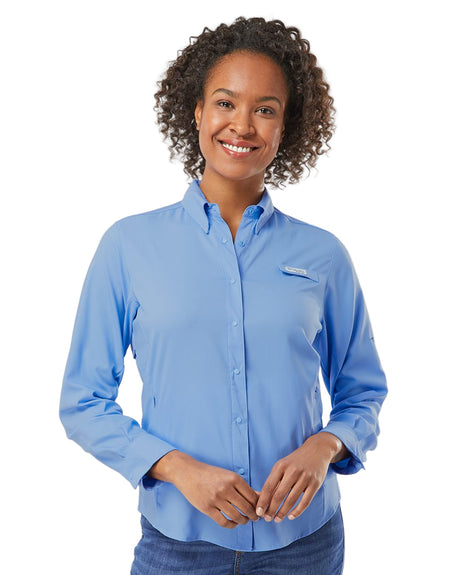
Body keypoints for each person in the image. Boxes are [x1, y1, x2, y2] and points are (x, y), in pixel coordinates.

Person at [59, 16, 387, 575]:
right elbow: (83, 401)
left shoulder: (324, 254)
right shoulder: (128, 246)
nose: (243, 124)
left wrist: (325, 447)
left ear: (286, 127)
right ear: (197, 112)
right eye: (225, 103)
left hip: (305, 545)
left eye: (266, 109)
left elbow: (363, 392)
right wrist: (175, 467)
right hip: (177, 545)